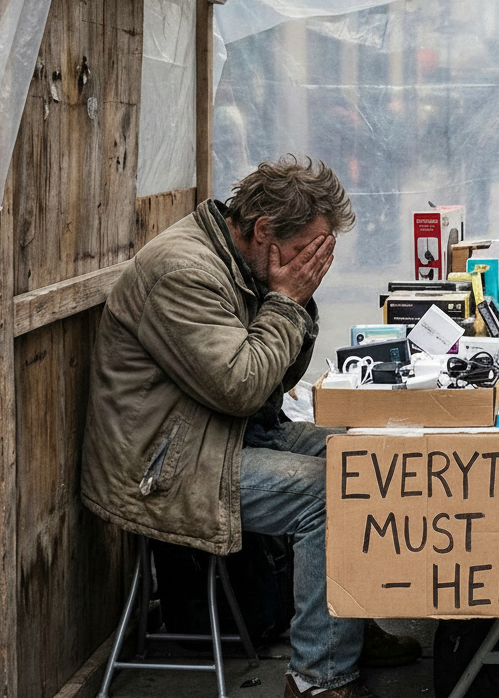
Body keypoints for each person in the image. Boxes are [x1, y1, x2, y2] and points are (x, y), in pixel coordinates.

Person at [80, 156, 412, 698]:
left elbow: (277, 379)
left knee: (368, 458)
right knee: (330, 495)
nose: (316, 262)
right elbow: (243, 386)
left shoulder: (240, 259)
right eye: (309, 248)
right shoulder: (183, 271)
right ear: (263, 231)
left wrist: (293, 304)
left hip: (221, 432)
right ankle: (318, 680)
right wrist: (286, 301)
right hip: (164, 466)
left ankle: (343, 623)